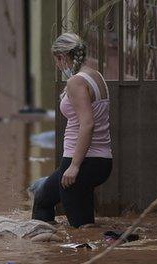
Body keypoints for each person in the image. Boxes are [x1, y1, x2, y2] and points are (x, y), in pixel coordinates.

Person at [31, 33, 112, 227]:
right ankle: (52, 250)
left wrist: (75, 166)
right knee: (43, 199)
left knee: (81, 231)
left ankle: (61, 255)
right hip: (101, 161)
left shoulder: (76, 82)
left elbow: (87, 123)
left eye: (56, 61)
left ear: (61, 57)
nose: (58, 67)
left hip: (82, 161)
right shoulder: (96, 75)